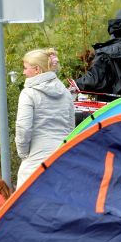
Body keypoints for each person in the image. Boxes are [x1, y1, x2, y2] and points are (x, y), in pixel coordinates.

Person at [16, 49, 75, 187]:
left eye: (25, 68)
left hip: (36, 160)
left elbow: (23, 128)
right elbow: (71, 127)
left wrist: (23, 153)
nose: (23, 72)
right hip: (62, 157)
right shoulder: (66, 93)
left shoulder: (28, 93)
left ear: (37, 69)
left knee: (28, 203)